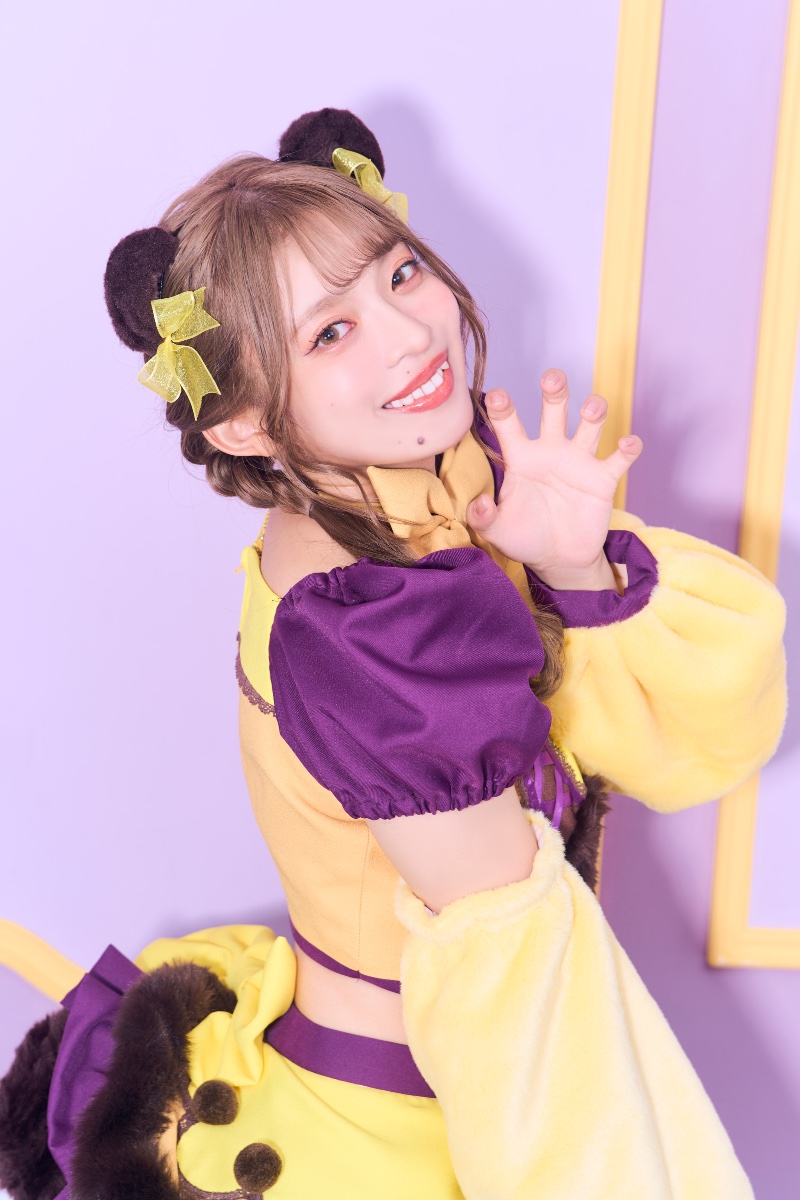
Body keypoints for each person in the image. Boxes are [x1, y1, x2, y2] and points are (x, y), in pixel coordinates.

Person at [1, 108, 785, 1200]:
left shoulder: (434, 485)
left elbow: (701, 747)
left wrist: (579, 571)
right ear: (243, 422)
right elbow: (521, 992)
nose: (410, 336)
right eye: (331, 332)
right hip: (417, 1120)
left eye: (400, 275)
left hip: (470, 1073)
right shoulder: (363, 624)